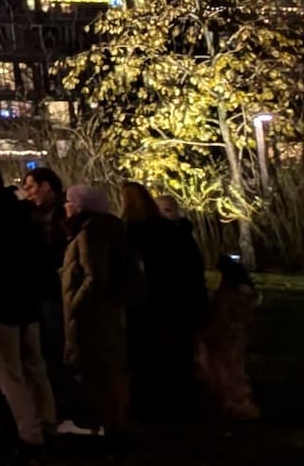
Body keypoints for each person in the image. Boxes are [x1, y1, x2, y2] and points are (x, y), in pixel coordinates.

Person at [0, 164, 57, 448]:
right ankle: (48, 421)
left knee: (9, 373)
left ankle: (29, 431)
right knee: (34, 365)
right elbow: (39, 258)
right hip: (27, 302)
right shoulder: (24, 216)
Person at [60, 185, 140, 439]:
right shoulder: (108, 228)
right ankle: (115, 421)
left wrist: (74, 304)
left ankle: (102, 423)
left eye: (70, 202)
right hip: (107, 310)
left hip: (92, 313)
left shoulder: (88, 233)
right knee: (111, 366)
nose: (66, 206)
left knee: (95, 367)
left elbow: (94, 276)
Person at [124, 183, 204, 422]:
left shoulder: (171, 237)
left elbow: (189, 271)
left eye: (169, 210)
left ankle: (172, 402)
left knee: (171, 353)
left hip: (169, 303)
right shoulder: (165, 236)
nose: (165, 215)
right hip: (164, 302)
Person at [19, 167, 74, 430]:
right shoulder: (34, 215)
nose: (28, 194)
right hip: (42, 290)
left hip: (54, 290)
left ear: (47, 186)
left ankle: (63, 403)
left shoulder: (62, 214)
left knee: (56, 347)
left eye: (31, 187)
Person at [196, 257, 258, 420]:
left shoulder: (227, 295)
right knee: (236, 368)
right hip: (238, 336)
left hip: (224, 337)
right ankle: (239, 402)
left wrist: (207, 334)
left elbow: (222, 318)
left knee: (224, 370)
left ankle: (232, 403)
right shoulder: (247, 294)